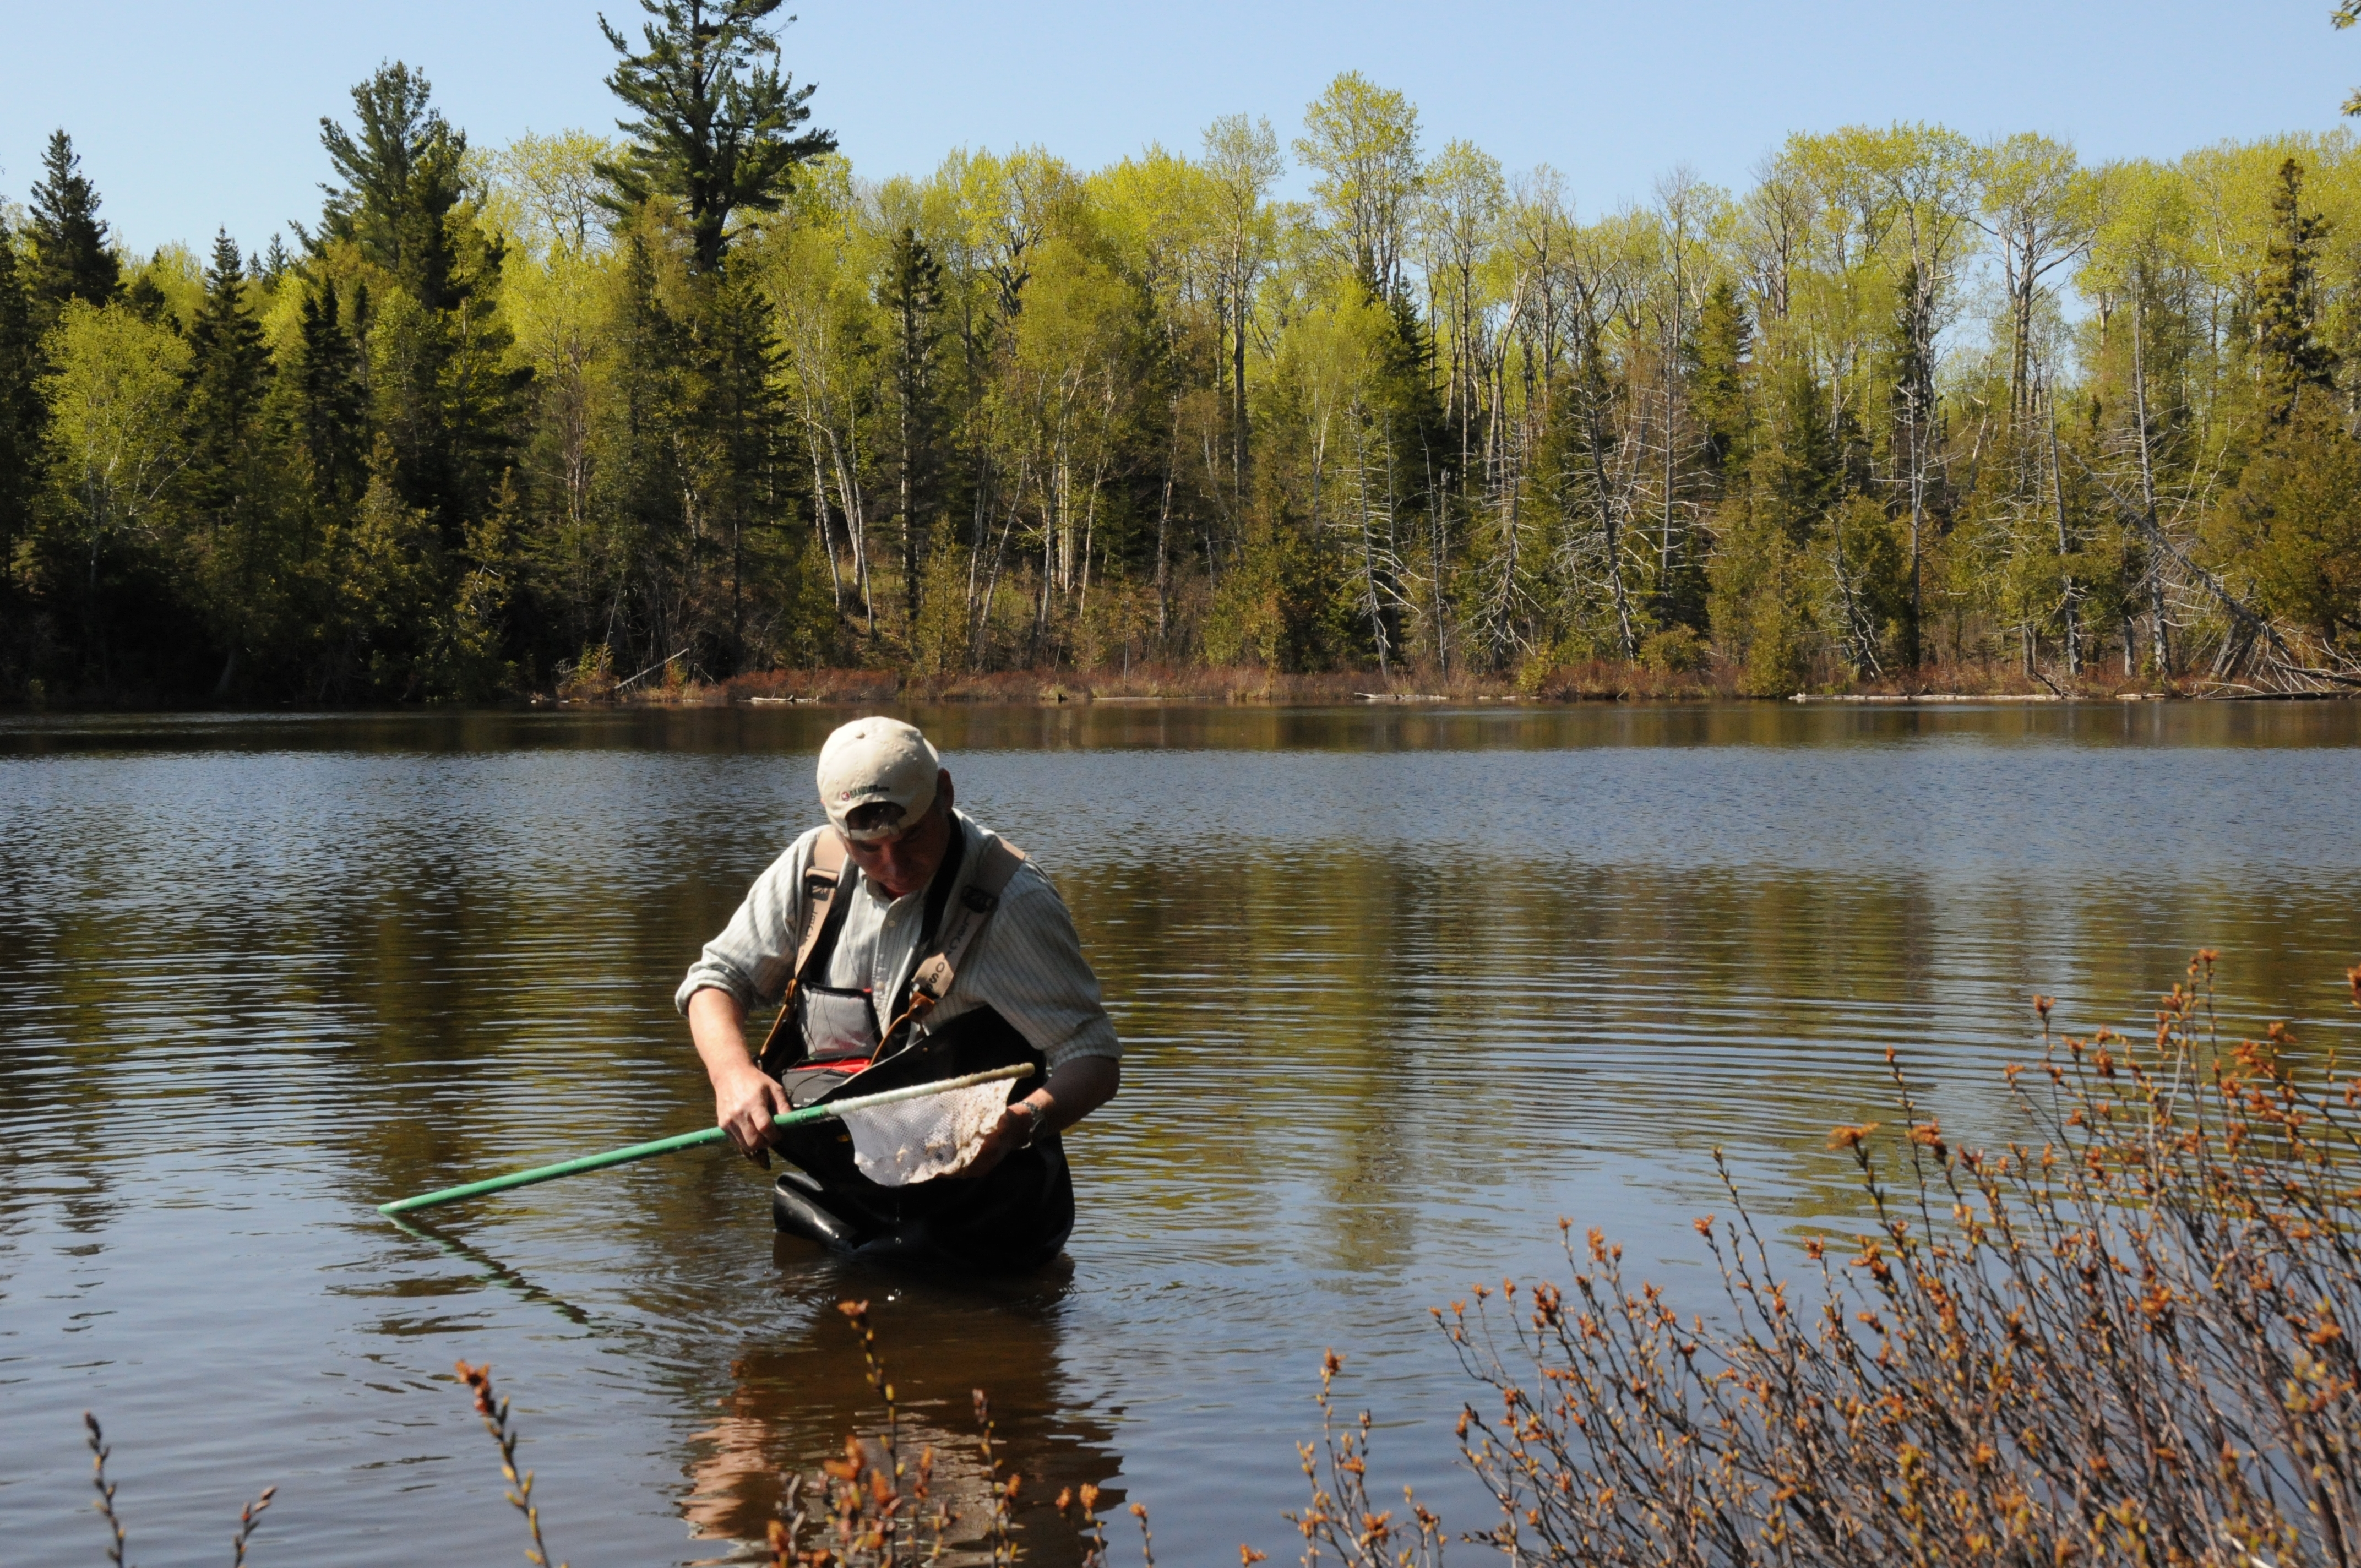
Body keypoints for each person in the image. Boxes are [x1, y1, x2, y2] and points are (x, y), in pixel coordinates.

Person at [677, 716, 1120, 1269]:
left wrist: (1018, 1125)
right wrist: (732, 1075)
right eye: (867, 847)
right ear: (838, 830)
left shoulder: (1015, 902)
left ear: (945, 794)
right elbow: (714, 980)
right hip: (846, 1205)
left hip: (987, 1218)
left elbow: (1095, 1060)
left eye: (910, 838)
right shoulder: (812, 870)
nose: (892, 865)